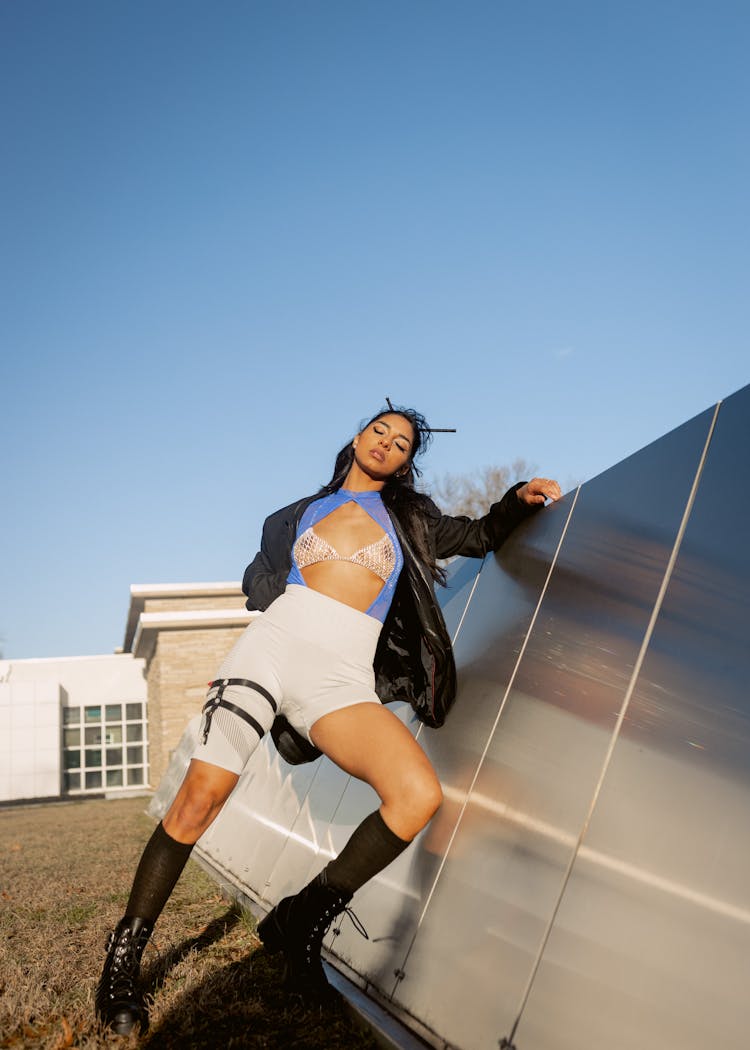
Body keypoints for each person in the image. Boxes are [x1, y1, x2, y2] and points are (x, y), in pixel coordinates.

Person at [95, 405, 561, 1034]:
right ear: (357, 437)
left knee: (417, 796)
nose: (388, 445)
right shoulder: (291, 517)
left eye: (402, 444)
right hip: (272, 648)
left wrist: (518, 500)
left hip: (342, 675)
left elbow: (478, 535)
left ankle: (300, 918)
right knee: (201, 798)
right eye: (381, 432)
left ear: (405, 462)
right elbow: (259, 581)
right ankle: (124, 958)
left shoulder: (411, 520)